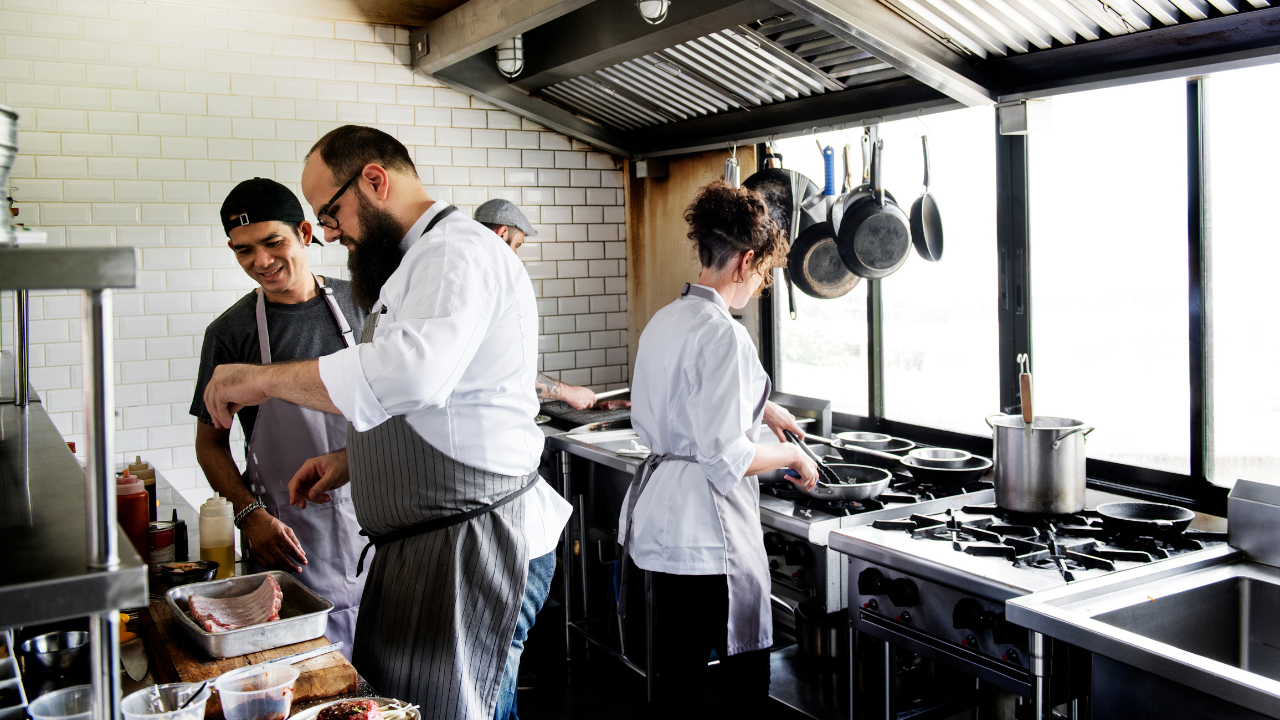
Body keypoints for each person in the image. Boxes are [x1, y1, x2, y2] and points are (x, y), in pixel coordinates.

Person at [201, 125, 569, 720]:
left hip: (475, 543)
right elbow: (438, 406)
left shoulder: (455, 253)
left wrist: (261, 380)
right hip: (432, 547)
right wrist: (355, 460)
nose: (329, 232)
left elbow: (410, 376)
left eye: (330, 213)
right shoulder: (417, 262)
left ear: (374, 180)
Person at [617, 181, 819, 719]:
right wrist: (794, 457)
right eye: (763, 271)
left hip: (660, 528)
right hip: (707, 541)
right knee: (743, 690)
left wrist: (762, 408)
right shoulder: (726, 334)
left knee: (674, 684)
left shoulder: (667, 318)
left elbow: (689, 402)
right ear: (746, 260)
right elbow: (729, 458)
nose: (760, 283)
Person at [190, 177, 367, 658]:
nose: (261, 261)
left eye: (273, 242)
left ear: (305, 233)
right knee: (310, 669)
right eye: (244, 250)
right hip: (289, 537)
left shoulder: (365, 304)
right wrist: (250, 517)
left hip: (377, 521)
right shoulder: (230, 333)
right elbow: (209, 444)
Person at [474, 198, 598, 411]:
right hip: (492, 416)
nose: (515, 255)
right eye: (517, 245)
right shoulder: (498, 285)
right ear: (502, 233)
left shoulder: (469, 276)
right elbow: (510, 368)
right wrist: (569, 393)